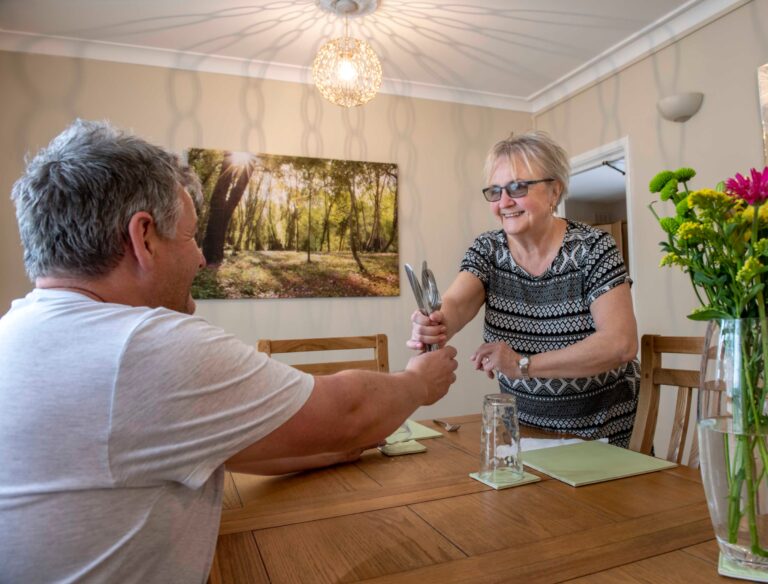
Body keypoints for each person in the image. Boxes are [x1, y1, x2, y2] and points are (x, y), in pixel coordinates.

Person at [0, 119, 458, 583]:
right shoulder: (143, 346)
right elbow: (348, 411)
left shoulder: (16, 331)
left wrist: (337, 445)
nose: (200, 257)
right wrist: (420, 381)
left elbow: (232, 453)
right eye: (189, 237)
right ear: (143, 239)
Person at [408, 130, 639, 446]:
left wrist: (523, 365)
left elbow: (620, 344)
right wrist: (436, 323)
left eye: (517, 187)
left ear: (553, 191)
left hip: (603, 435)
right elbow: (457, 302)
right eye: (495, 191)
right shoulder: (488, 250)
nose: (504, 202)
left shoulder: (593, 248)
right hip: (525, 433)